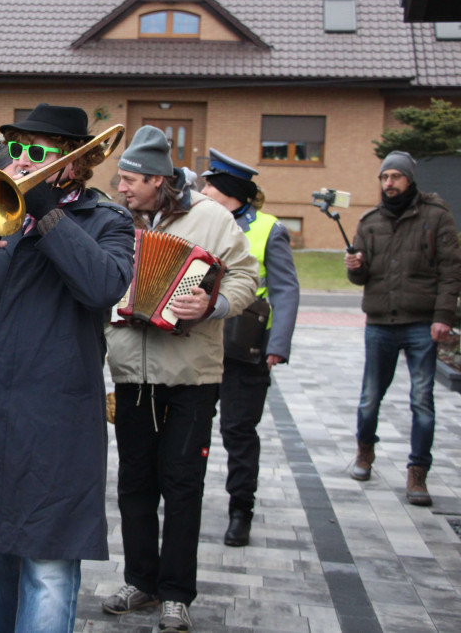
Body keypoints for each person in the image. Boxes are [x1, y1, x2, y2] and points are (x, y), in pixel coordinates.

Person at [0, 103, 136, 633]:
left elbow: (103, 287)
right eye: (16, 149)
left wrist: (46, 210)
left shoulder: (106, 220)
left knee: (49, 566)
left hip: (55, 423)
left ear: (74, 162)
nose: (21, 161)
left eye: (37, 152)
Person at [102, 126, 258, 633]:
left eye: (128, 180)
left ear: (156, 179)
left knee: (182, 483)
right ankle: (141, 582)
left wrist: (214, 304)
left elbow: (244, 276)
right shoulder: (111, 220)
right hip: (131, 373)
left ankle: (176, 594)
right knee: (134, 482)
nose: (120, 187)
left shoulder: (213, 217)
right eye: (119, 179)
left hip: (192, 375)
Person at [345, 150, 461, 506]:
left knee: (421, 401)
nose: (389, 183)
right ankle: (365, 453)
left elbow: (451, 270)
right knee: (368, 400)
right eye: (384, 177)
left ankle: (418, 473)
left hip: (421, 323)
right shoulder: (369, 221)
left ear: (409, 179)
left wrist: (443, 316)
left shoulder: (436, 217)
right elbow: (358, 276)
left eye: (395, 176)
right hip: (380, 323)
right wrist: (354, 266)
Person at [199, 149, 300, 547]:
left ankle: (241, 510)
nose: (203, 189)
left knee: (239, 431)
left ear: (229, 190)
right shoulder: (201, 222)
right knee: (193, 430)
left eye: (210, 184)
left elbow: (286, 289)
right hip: (201, 344)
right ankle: (184, 497)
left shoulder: (270, 228)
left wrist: (279, 344)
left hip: (246, 350)